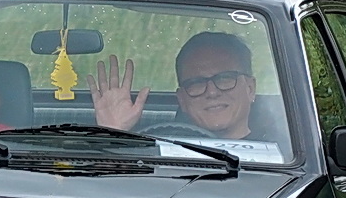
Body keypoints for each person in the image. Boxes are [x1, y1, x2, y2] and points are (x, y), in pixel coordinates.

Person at [90, 31, 262, 140]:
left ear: (250, 88)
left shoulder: (284, 158)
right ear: (182, 100)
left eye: (225, 78)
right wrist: (113, 132)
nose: (211, 91)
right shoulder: (159, 151)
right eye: (196, 83)